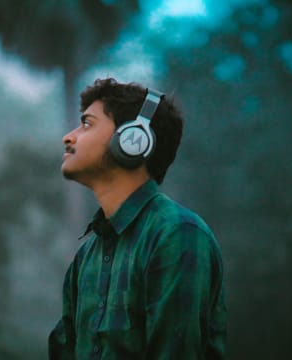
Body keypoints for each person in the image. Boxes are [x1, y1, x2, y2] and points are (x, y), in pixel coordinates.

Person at [48, 78, 227, 360]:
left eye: (87, 124)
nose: (68, 137)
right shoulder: (87, 256)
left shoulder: (177, 234)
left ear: (133, 139)